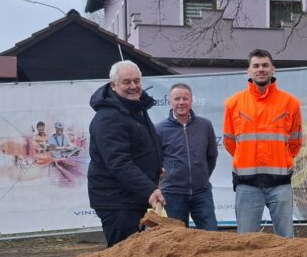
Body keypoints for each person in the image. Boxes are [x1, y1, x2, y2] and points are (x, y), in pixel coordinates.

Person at [223, 49, 303, 237]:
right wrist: (246, 159)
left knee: (285, 242)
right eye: (256, 65)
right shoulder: (233, 103)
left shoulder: (291, 103)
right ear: (248, 71)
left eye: (265, 65)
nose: (261, 69)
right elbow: (229, 142)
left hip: (280, 184)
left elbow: (295, 142)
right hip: (247, 184)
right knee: (246, 243)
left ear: (273, 69)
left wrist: (280, 160)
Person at [88, 61, 165, 247]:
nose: (133, 86)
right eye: (126, 82)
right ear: (113, 85)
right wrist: (149, 188)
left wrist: (154, 169)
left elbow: (139, 149)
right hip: (117, 202)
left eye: (137, 81)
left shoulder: (135, 109)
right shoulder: (109, 118)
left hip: (133, 198)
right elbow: (119, 162)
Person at [156, 83, 220, 230]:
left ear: (191, 101)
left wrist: (201, 176)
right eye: (177, 98)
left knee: (212, 236)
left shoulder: (205, 125)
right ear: (169, 101)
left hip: (202, 193)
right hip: (172, 194)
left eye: (185, 98)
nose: (181, 102)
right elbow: (156, 161)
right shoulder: (159, 129)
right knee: (176, 239)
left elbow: (211, 156)